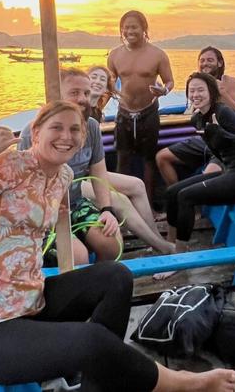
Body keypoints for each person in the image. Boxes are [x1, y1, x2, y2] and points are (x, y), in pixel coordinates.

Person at [0, 100, 235, 392]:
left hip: (31, 303)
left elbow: (49, 221)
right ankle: (179, 383)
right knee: (89, 339)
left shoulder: (63, 176)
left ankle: (97, 386)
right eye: (57, 127)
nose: (66, 136)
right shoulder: (10, 165)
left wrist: (106, 212)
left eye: (75, 129)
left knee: (116, 276)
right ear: (35, 132)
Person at [19, 69, 173, 263]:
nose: (83, 98)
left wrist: (106, 210)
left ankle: (101, 282)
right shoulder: (33, 132)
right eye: (74, 92)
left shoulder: (90, 126)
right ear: (56, 93)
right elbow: (24, 189)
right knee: (78, 256)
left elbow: (99, 173)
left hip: (75, 204)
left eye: (85, 92)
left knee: (112, 244)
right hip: (44, 213)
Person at [155, 72, 235, 280]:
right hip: (230, 170)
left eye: (200, 90)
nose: (196, 94)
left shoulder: (223, 113)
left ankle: (180, 259)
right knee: (172, 192)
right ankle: (172, 245)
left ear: (211, 93)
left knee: (186, 197)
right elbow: (217, 151)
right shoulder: (197, 118)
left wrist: (220, 133)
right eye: (192, 90)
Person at [108, 10, 174, 205]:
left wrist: (164, 91)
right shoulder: (114, 55)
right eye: (126, 27)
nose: (130, 31)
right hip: (124, 113)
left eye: (134, 27)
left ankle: (149, 206)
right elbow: (109, 82)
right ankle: (122, 207)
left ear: (144, 29)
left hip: (149, 112)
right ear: (121, 30)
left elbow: (169, 81)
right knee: (122, 160)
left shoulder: (158, 54)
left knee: (148, 160)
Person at [156, 47, 235, 186]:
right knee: (162, 157)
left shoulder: (229, 82)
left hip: (223, 141)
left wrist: (222, 93)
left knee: (209, 174)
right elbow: (193, 112)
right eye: (202, 60)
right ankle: (175, 195)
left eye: (210, 60)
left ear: (220, 63)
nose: (205, 64)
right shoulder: (199, 84)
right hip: (203, 140)